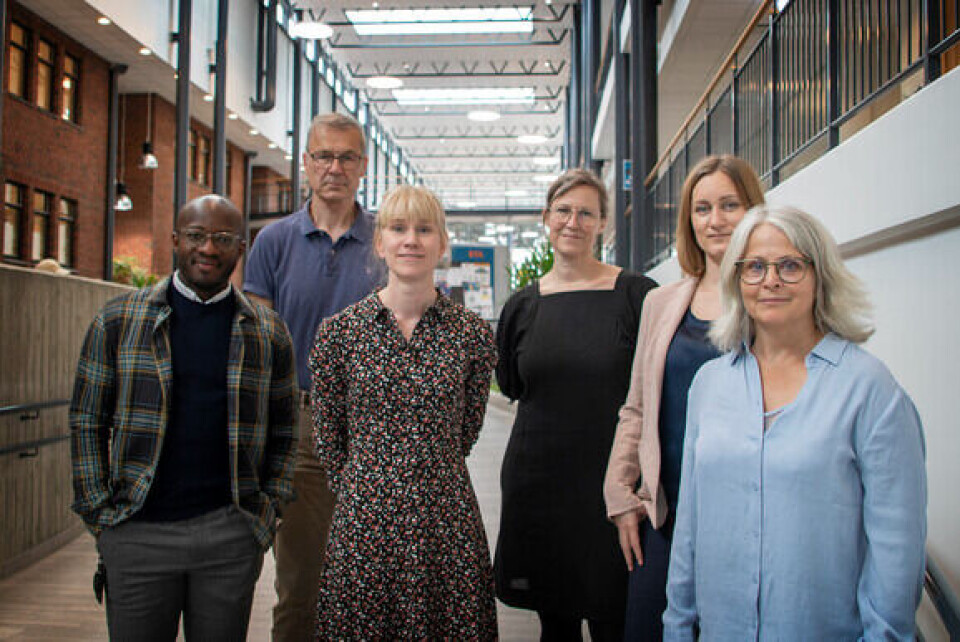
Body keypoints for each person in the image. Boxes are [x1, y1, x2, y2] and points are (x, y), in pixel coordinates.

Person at [663, 205, 927, 641]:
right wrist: (677, 625)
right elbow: (690, 526)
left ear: (819, 275)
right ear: (736, 278)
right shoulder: (709, 385)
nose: (770, 280)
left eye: (789, 265)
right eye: (755, 267)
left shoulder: (869, 389)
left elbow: (895, 553)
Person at [69, 195, 298, 641]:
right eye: (195, 236)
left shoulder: (268, 332)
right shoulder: (118, 320)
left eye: (222, 239)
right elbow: (86, 421)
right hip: (137, 533)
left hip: (229, 535)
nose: (208, 249)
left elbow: (286, 429)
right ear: (175, 240)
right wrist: (101, 515)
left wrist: (265, 515)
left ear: (240, 247)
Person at [310, 185, 498, 639]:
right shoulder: (340, 334)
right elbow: (330, 438)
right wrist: (370, 485)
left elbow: (466, 431)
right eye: (398, 228)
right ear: (380, 242)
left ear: (442, 243)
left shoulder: (471, 336)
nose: (411, 240)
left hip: (445, 524)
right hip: (364, 525)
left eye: (424, 229)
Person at [603, 155, 765, 639]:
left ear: (753, 210)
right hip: (664, 515)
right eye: (702, 208)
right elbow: (636, 406)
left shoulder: (770, 297)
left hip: (745, 516)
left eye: (729, 205)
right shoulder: (661, 302)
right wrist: (620, 490)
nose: (714, 220)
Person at [495, 168, 657, 641]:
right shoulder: (523, 306)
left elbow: (651, 390)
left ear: (603, 223)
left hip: (613, 486)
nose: (573, 221)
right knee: (556, 622)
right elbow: (511, 385)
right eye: (563, 211)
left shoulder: (636, 296)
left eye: (586, 212)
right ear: (546, 218)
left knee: (614, 617)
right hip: (538, 484)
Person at [243, 112, 384, 641]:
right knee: (300, 583)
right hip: (299, 427)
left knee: (372, 581)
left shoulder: (386, 242)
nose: (334, 167)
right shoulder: (273, 242)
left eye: (347, 156)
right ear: (305, 163)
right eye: (323, 155)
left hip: (375, 430)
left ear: (363, 166)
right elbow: (257, 349)